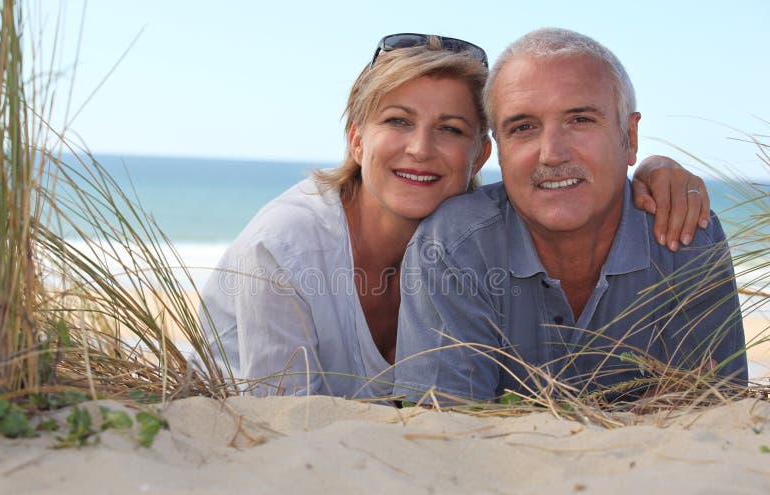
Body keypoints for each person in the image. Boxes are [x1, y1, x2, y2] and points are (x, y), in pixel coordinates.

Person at [200, 33, 712, 399]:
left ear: (482, 154)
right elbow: (276, 424)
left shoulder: (464, 239)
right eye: (398, 121)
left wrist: (654, 167)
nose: (420, 149)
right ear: (357, 139)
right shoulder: (281, 250)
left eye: (449, 129)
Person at [392, 28, 748, 404]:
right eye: (523, 127)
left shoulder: (684, 236)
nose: (552, 153)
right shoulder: (453, 246)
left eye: (580, 120)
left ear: (629, 136)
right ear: (499, 150)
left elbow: (714, 414)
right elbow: (445, 428)